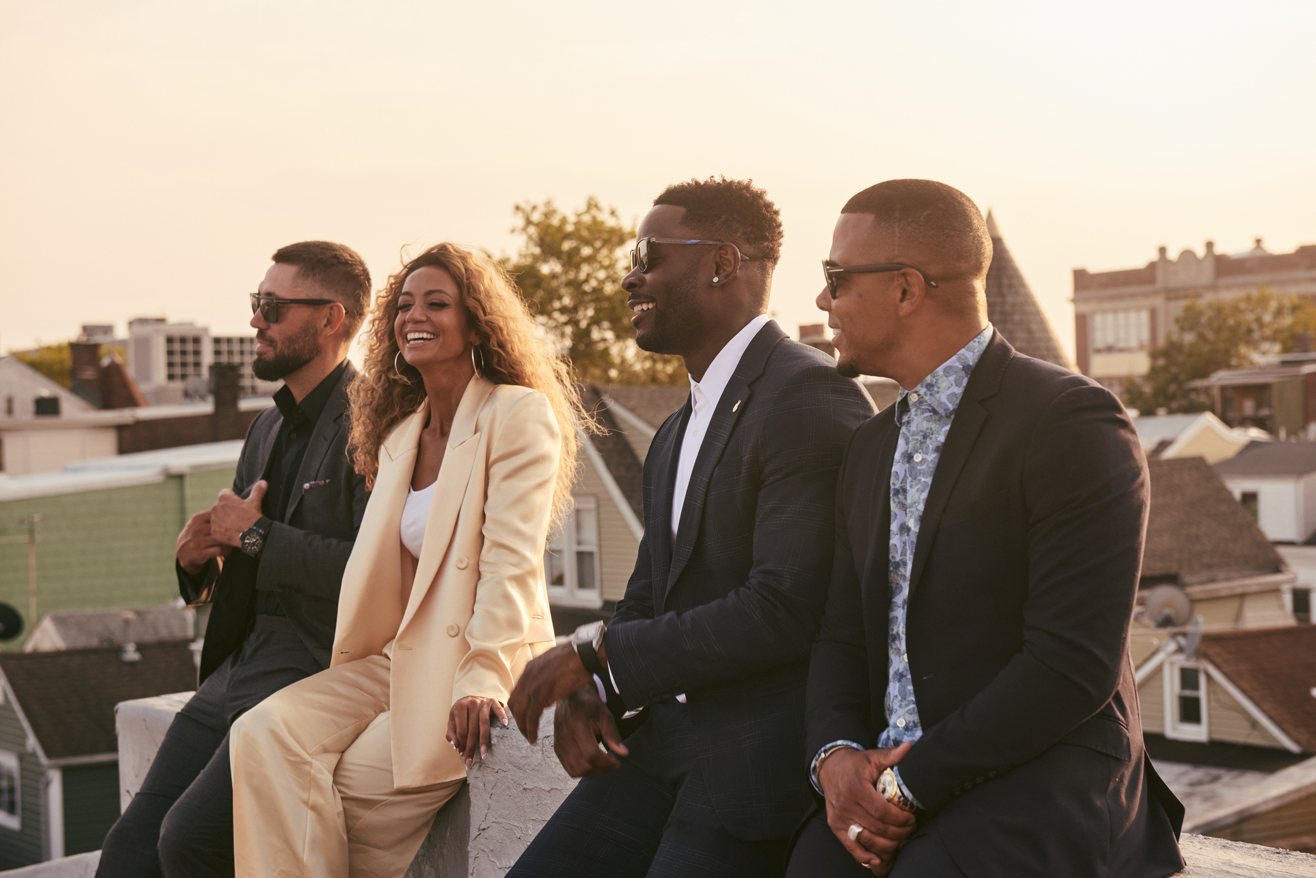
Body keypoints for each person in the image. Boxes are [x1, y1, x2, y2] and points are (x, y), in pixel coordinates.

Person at [786, 179, 1185, 878]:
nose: (822, 301)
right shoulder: (870, 446)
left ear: (908, 289)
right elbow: (841, 634)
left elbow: (1069, 666)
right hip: (890, 781)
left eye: (835, 279)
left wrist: (910, 783)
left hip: (1039, 779)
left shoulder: (1071, 422)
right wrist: (836, 758)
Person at [505, 177, 875, 878]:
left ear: (721, 263)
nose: (629, 275)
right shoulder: (677, 430)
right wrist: (598, 686)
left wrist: (595, 654)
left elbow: (785, 608)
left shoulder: (807, 396)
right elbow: (652, 593)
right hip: (661, 742)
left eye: (649, 254)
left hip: (751, 765)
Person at [228, 242, 585, 877]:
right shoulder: (400, 435)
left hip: (474, 662)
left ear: (476, 321)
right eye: (404, 304)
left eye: (438, 303)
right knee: (260, 733)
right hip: (393, 658)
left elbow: (511, 561)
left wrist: (482, 676)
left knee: (331, 795)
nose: (414, 315)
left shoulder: (516, 415)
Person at [96, 241, 373, 878]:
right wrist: (199, 564)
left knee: (190, 843)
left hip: (311, 668)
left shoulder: (374, 423)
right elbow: (247, 562)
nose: (255, 321)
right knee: (128, 852)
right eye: (257, 304)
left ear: (331, 319)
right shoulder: (265, 429)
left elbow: (372, 570)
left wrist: (251, 537)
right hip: (236, 666)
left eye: (272, 307)